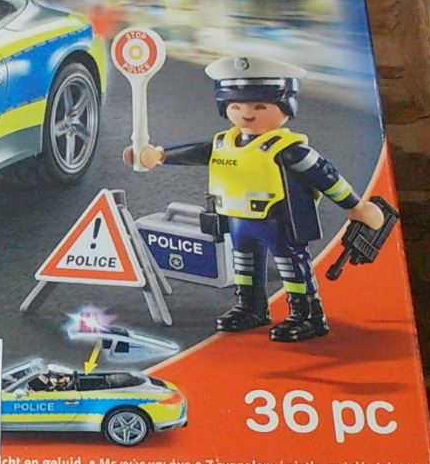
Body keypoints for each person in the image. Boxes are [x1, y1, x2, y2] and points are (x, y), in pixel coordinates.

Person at [121, 55, 389, 342]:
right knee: (244, 266)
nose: (246, 113)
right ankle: (250, 308)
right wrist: (159, 156)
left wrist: (355, 204)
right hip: (237, 221)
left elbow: (326, 176)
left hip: (279, 221)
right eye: (236, 106)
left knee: (291, 267)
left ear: (285, 106)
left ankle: (307, 315)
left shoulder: (289, 149)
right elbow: (196, 153)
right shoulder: (222, 143)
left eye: (260, 106)